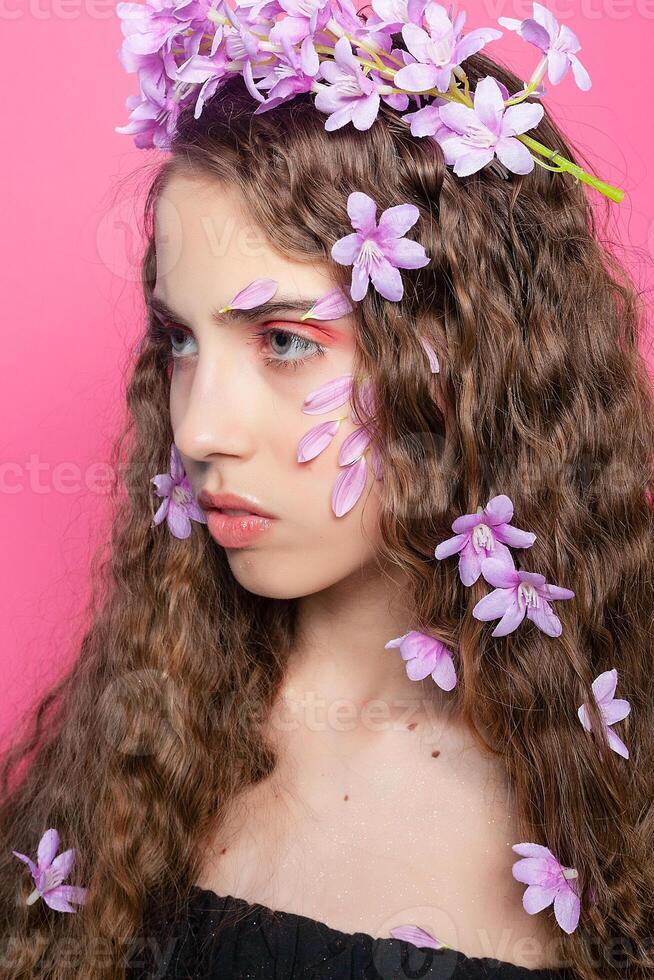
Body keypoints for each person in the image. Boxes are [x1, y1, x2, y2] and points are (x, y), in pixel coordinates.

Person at [1, 2, 653, 978]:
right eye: (180, 339)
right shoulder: (142, 736)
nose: (198, 430)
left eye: (285, 341)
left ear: (470, 357)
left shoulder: (606, 799)